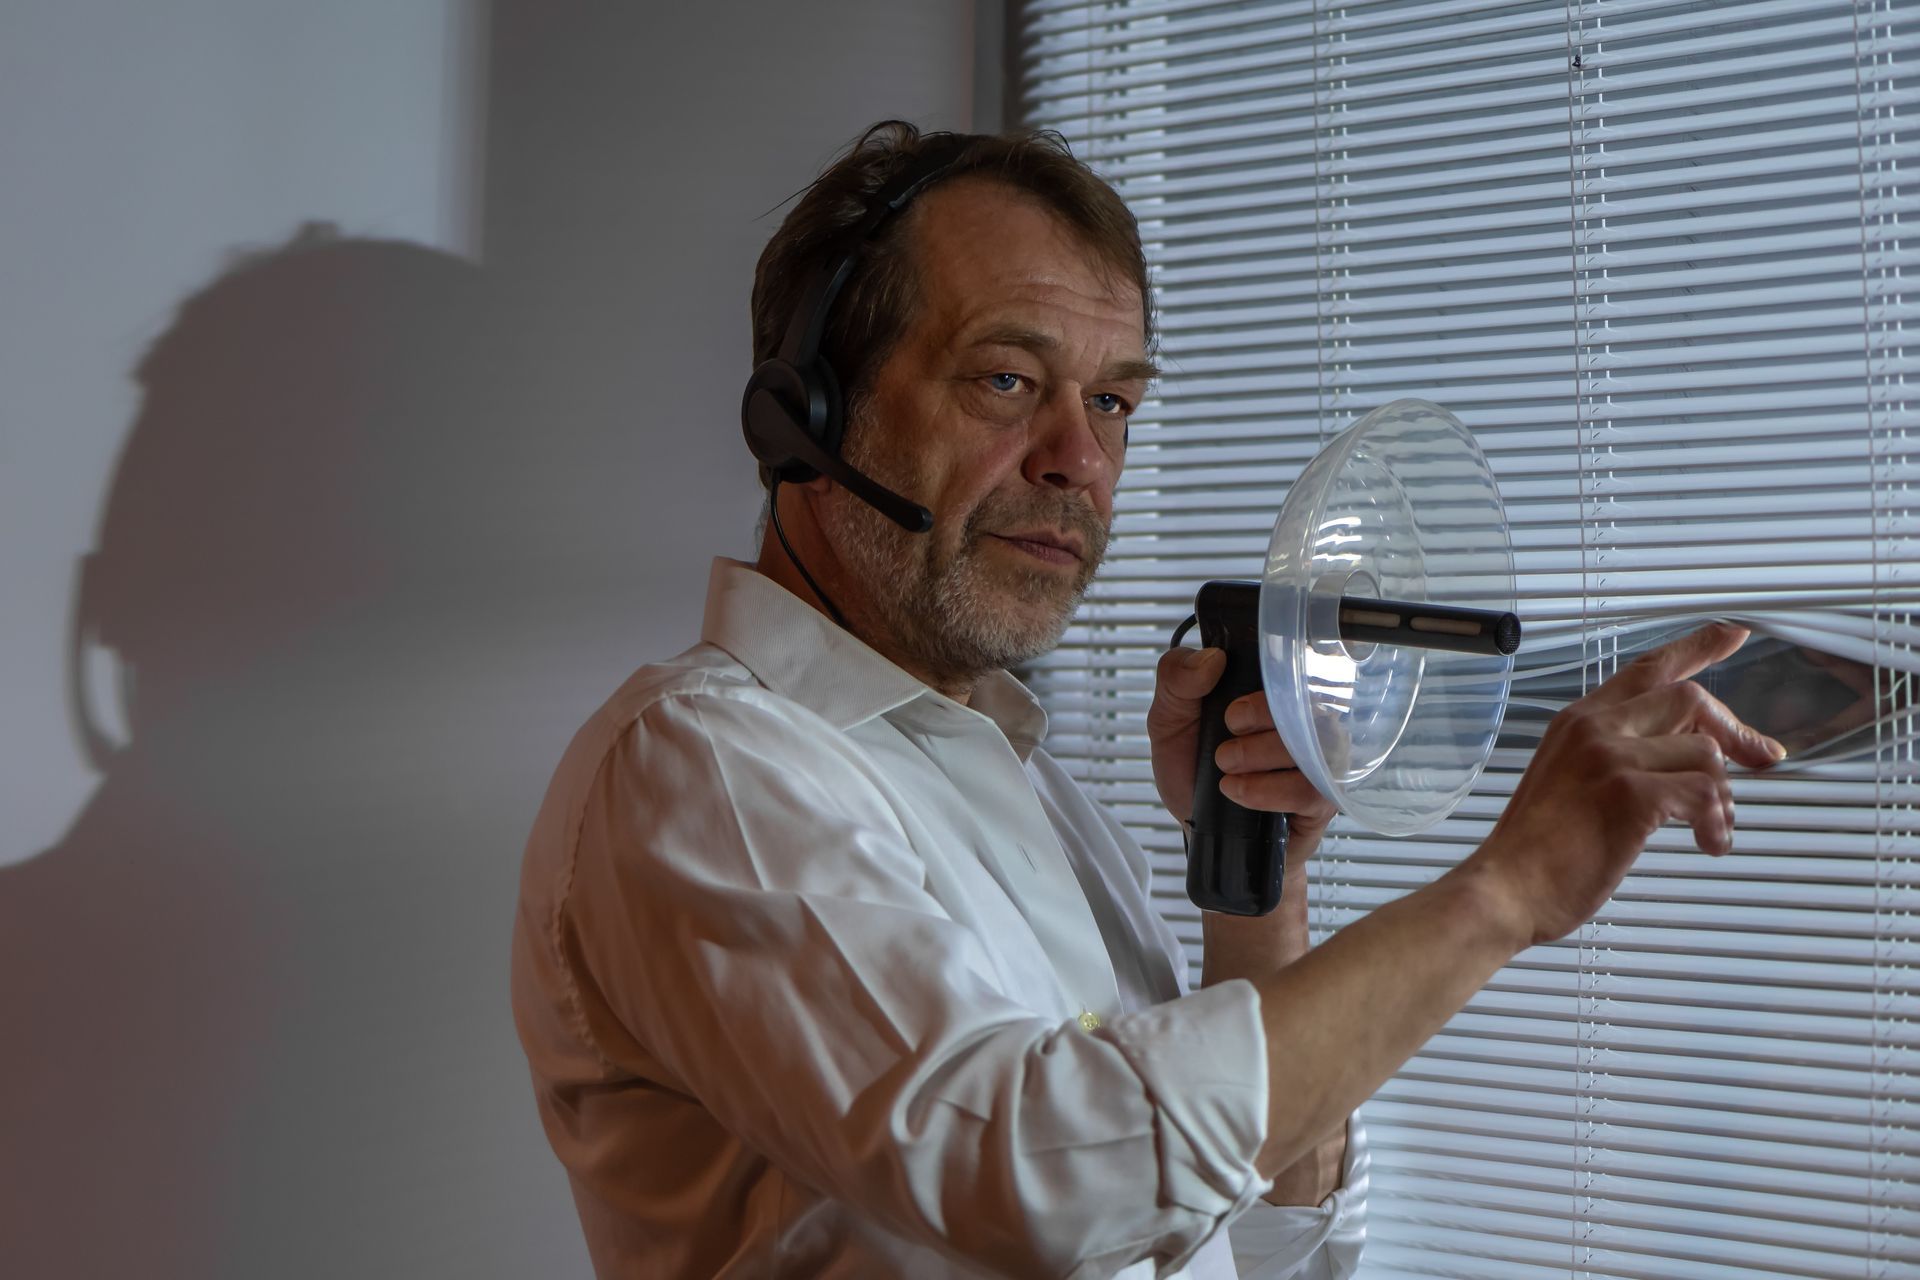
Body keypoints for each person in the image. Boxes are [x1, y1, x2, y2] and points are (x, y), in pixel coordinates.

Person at [509, 122, 1783, 1279]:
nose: (1079, 461)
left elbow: (1270, 1251)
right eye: (1008, 380)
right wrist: (1507, 892)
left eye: (1112, 400)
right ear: (807, 416)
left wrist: (1256, 896)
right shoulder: (702, 764)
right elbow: (1033, 1179)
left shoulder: (1016, 777)